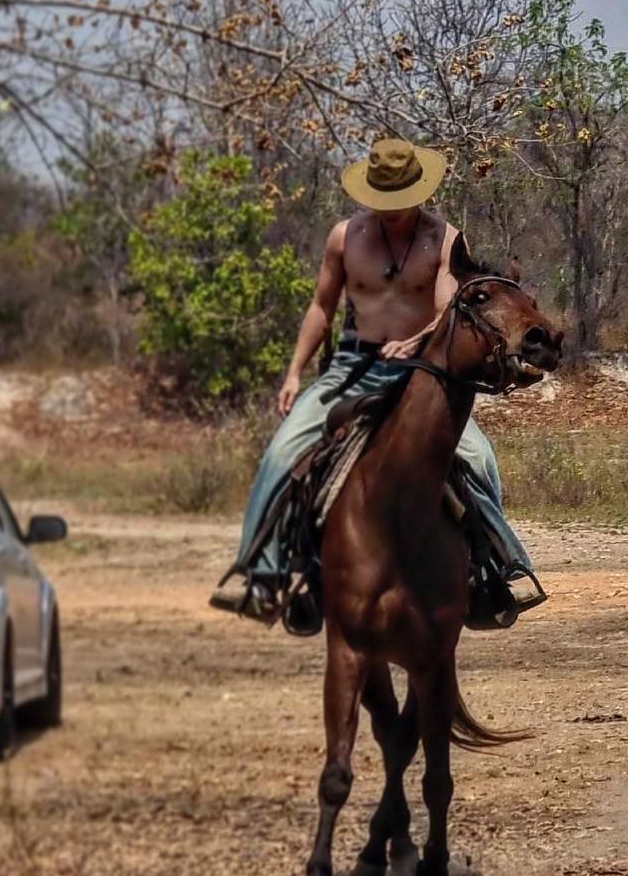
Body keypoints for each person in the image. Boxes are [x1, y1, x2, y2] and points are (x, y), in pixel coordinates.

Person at [210, 135, 545, 623]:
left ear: (419, 191)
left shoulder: (445, 239)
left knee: (476, 454)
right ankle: (261, 574)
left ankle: (498, 571)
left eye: (402, 199)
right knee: (284, 449)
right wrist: (293, 372)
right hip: (352, 366)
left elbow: (444, 310)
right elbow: (321, 309)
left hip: (419, 371)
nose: (393, 210)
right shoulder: (344, 238)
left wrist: (416, 342)